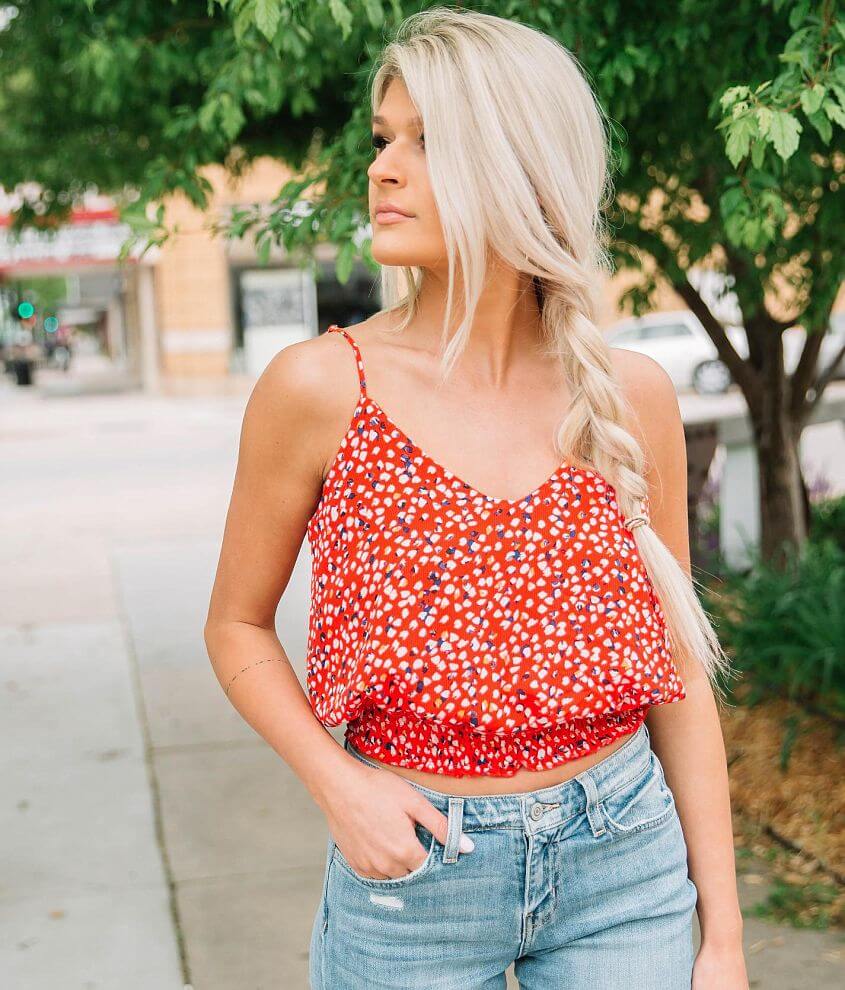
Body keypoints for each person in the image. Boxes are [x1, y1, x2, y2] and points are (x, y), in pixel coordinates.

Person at [204, 8, 748, 989]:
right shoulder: (319, 388)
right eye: (382, 140)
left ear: (521, 167)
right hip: (412, 870)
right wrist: (339, 788)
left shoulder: (628, 397)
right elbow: (236, 625)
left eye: (425, 142)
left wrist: (724, 937)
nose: (381, 169)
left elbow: (676, 672)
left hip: (622, 859)